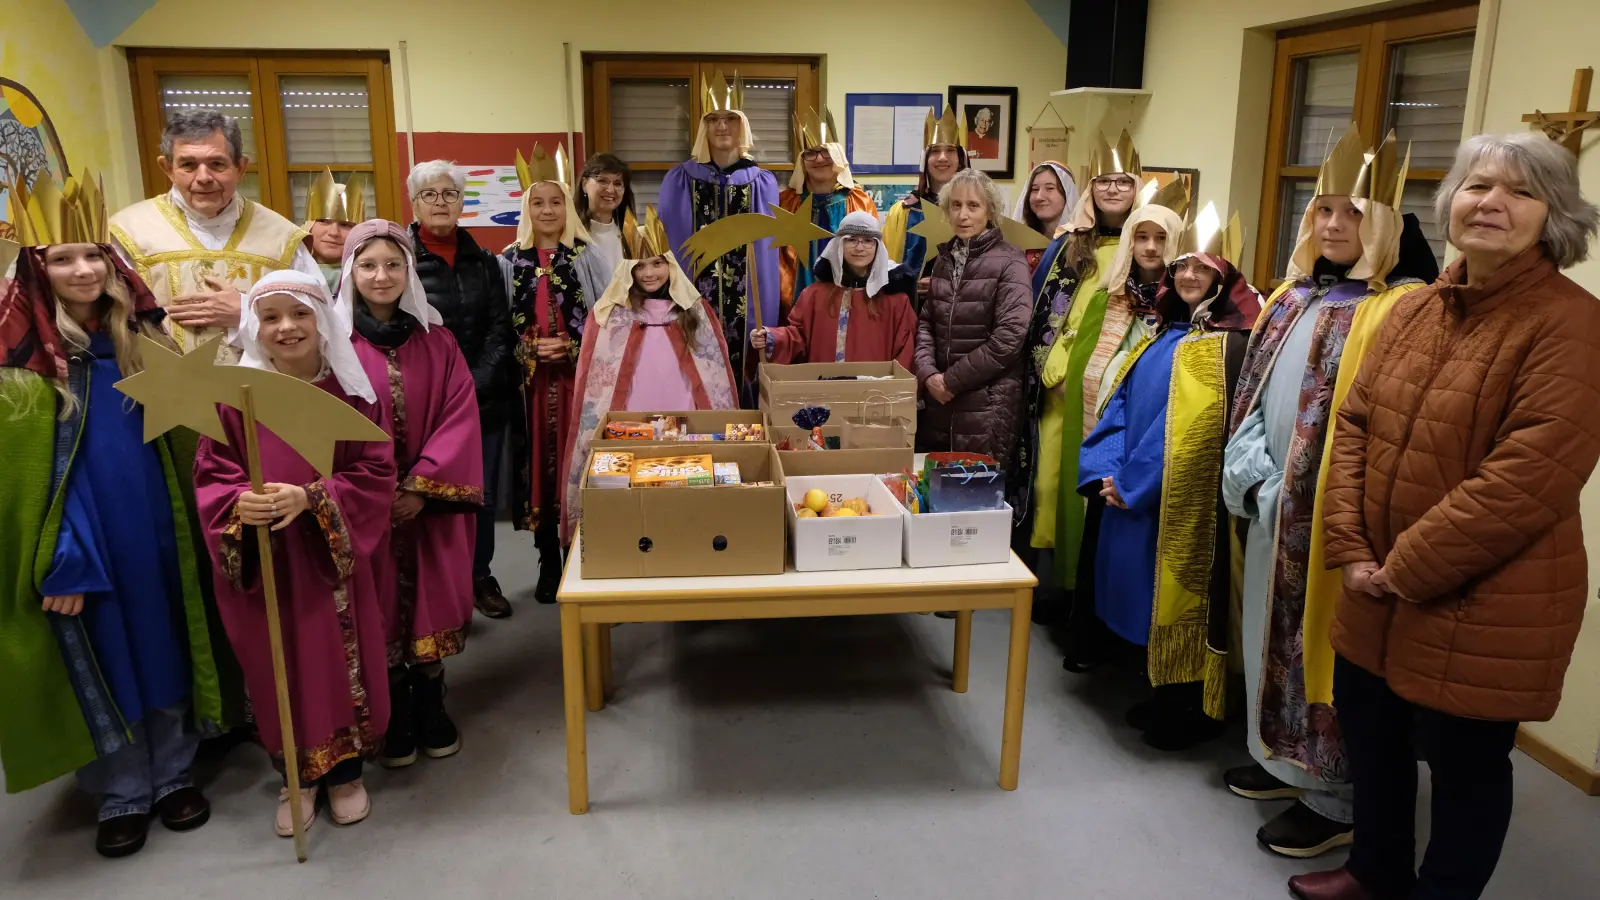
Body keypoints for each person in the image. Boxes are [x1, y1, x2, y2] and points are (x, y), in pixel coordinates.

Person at [1298, 133, 1600, 900]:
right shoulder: (1418, 309)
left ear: (1554, 216)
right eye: (1476, 185)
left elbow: (1527, 479)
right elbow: (1355, 424)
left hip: (1490, 598)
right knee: (1375, 741)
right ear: (1451, 202)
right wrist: (1351, 546)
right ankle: (1375, 871)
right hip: (1376, 582)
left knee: (1466, 768)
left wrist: (1399, 569)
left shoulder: (1572, 325)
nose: (1491, 202)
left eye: (1520, 192)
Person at [0, 175, 225, 858]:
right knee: (103, 654)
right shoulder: (24, 373)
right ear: (37, 270)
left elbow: (196, 439)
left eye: (93, 256)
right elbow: (22, 485)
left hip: (155, 531)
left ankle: (174, 771)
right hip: (82, 548)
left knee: (163, 641)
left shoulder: (144, 343)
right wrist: (59, 558)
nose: (82, 270)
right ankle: (121, 788)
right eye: (62, 258)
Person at [1220, 124, 1427, 863]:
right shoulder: (1292, 293)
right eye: (1324, 210)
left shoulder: (1400, 307)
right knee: (1264, 633)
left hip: (1336, 516)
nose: (1333, 224)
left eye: (1352, 213)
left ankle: (1334, 795)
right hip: (1274, 499)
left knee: (1322, 650)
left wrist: (1309, 491)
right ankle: (1282, 762)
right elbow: (1253, 396)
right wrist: (1251, 468)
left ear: (1386, 226)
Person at [194, 271, 394, 837]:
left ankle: (346, 773)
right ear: (254, 326)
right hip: (268, 562)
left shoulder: (353, 394)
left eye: (300, 314)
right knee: (277, 662)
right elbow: (212, 473)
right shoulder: (234, 398)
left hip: (329, 562)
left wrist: (313, 498)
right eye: (272, 317)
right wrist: (237, 504)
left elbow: (376, 471)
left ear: (322, 321)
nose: (287, 328)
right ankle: (296, 776)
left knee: (336, 659)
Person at [1077, 211, 1260, 752]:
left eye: (1199, 272)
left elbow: (1191, 430)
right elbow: (1123, 403)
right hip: (1132, 487)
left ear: (1222, 278)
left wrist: (1132, 483)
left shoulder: (1227, 346)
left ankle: (1189, 706)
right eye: (1181, 269)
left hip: (1180, 497)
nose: (1185, 279)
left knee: (1182, 597)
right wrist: (1104, 469)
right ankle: (1159, 688)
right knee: (1136, 592)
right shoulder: (1163, 332)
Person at [343, 220, 483, 770]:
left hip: (430, 504)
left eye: (393, 265)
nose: (382, 276)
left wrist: (423, 485)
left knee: (431, 596)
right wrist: (374, 491)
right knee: (375, 602)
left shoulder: (437, 340)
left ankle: (431, 695)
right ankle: (392, 703)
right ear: (351, 273)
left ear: (409, 273)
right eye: (369, 265)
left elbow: (459, 415)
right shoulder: (334, 348)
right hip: (366, 505)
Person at [1053, 179, 1188, 670]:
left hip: (1150, 449)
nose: (1150, 248)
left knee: (1140, 559)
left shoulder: (1186, 309)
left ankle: (1134, 656)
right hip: (1105, 442)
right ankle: (1094, 643)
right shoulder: (1107, 301)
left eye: (1160, 239)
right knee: (1100, 549)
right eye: (1141, 237)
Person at [561, 209, 739, 542]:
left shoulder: (696, 310)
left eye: (657, 263)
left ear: (669, 264)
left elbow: (714, 373)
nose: (649, 272)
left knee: (684, 474)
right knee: (634, 477)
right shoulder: (609, 315)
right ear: (627, 269)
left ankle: (691, 540)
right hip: (631, 414)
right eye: (639, 265)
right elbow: (596, 377)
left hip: (685, 408)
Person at [1025, 134, 1139, 638]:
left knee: (1094, 489)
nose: (1113, 189)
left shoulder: (1148, 245)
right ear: (1091, 190)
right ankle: (1053, 587)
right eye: (1105, 181)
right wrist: (1050, 368)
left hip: (1114, 387)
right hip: (1059, 384)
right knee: (1051, 485)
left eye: (1123, 181)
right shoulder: (1069, 244)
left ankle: (1085, 599)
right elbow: (1043, 311)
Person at [109, 108, 320, 357]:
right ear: (167, 168)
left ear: (241, 167)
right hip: (163, 390)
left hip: (263, 389)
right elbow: (107, 322)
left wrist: (248, 315)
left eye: (217, 164)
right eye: (188, 165)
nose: (204, 177)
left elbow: (322, 321)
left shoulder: (282, 237)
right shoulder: (126, 232)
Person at [406, 159, 517, 619]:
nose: (440, 202)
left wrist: (471, 386)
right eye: (430, 194)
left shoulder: (485, 260)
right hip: (422, 402)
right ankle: (431, 588)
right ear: (413, 203)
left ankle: (478, 576)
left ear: (462, 202)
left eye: (449, 194)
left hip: (481, 399)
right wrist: (440, 393)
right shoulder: (399, 257)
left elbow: (499, 328)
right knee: (426, 494)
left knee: (481, 495)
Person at [503, 145, 603, 603]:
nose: (547, 210)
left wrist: (573, 345)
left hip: (578, 384)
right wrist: (527, 348)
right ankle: (549, 559)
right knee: (542, 471)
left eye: (556, 201)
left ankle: (586, 553)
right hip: (531, 388)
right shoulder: (509, 261)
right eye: (538, 202)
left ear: (569, 206)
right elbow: (498, 325)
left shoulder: (589, 257)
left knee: (578, 464)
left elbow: (611, 319)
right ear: (527, 207)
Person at [659, 71, 780, 397]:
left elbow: (768, 250)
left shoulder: (760, 182)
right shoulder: (680, 180)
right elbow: (672, 243)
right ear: (704, 127)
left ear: (743, 125)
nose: (722, 126)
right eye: (714, 119)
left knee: (744, 371)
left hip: (748, 299)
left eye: (730, 118)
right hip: (697, 292)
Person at [913, 168, 1032, 469]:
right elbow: (926, 322)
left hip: (988, 404)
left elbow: (1009, 337)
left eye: (973, 206)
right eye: (955, 205)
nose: (963, 214)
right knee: (935, 494)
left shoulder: (1010, 260)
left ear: (990, 211)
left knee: (977, 499)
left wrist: (951, 381)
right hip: (939, 403)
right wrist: (928, 374)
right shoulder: (943, 259)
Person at [752, 211, 916, 367]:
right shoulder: (814, 295)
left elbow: (906, 351)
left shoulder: (896, 300)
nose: (859, 248)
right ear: (839, 245)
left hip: (876, 393)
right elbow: (798, 337)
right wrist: (771, 338)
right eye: (851, 239)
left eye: (868, 241)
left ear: (878, 247)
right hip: (823, 391)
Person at [777, 108, 877, 318]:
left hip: (847, 304)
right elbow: (774, 259)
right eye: (810, 153)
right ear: (801, 161)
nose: (819, 159)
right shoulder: (786, 203)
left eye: (826, 152)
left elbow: (872, 254)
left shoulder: (858, 201)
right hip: (795, 304)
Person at [884, 105, 970, 288]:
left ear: (961, 158)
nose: (942, 158)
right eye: (935, 151)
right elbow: (887, 269)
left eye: (950, 150)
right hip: (911, 310)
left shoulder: (978, 212)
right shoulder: (903, 213)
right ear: (925, 159)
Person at [576, 153, 637, 294]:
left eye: (617, 183)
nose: (610, 190)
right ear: (585, 184)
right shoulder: (570, 234)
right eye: (602, 181)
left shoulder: (631, 236)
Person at [304, 167, 368, 295]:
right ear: (309, 226)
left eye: (345, 224)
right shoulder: (290, 271)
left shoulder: (371, 278)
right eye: (324, 221)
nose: (333, 232)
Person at [1012, 162, 1079, 272]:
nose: (1039, 197)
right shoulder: (1020, 243)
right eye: (1034, 189)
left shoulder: (1081, 245)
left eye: (1049, 188)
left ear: (1067, 193)